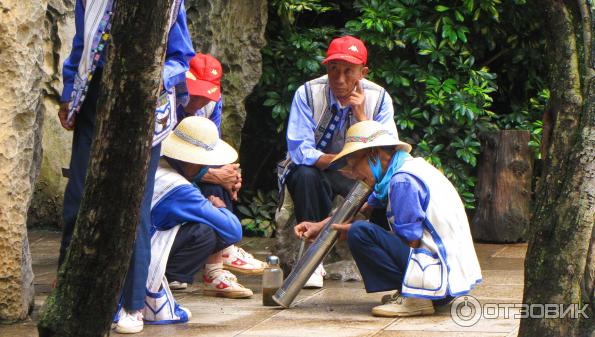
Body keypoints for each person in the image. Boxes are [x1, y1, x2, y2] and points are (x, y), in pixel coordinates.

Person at [57, 0, 194, 334]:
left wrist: (149, 76)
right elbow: (82, 45)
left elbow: (180, 57)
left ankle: (132, 305)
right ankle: (67, 294)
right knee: (78, 198)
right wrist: (68, 88)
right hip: (94, 95)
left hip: (145, 102)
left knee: (134, 205)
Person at [294, 121, 482, 317]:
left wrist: (353, 231)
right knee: (362, 228)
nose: (354, 173)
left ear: (374, 154)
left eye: (354, 163)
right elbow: (364, 208)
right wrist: (320, 226)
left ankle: (418, 299)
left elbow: (412, 240)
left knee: (360, 232)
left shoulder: (402, 180)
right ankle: (412, 291)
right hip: (448, 276)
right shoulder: (404, 169)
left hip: (440, 277)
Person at [278, 35, 397, 288]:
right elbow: (300, 150)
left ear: (362, 72)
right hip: (320, 166)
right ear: (326, 68)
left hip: (361, 172)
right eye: (334, 70)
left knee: (384, 189)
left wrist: (362, 115)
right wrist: (342, 162)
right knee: (304, 174)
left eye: (348, 71)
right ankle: (312, 259)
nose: (340, 79)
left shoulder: (380, 97)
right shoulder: (307, 93)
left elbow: (386, 153)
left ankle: (387, 259)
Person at [166, 53, 265, 292]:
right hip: (167, 172)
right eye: (195, 92)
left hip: (193, 166)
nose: (199, 100)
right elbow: (164, 158)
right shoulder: (168, 101)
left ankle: (217, 267)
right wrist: (211, 175)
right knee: (214, 182)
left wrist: (230, 176)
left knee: (222, 179)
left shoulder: (212, 103)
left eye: (206, 94)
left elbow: (211, 149)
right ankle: (220, 259)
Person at [149, 116, 254, 300]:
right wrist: (220, 208)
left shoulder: (157, 165)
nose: (205, 166)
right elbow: (233, 230)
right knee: (204, 232)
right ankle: (165, 277)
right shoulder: (179, 188)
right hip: (146, 251)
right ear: (191, 160)